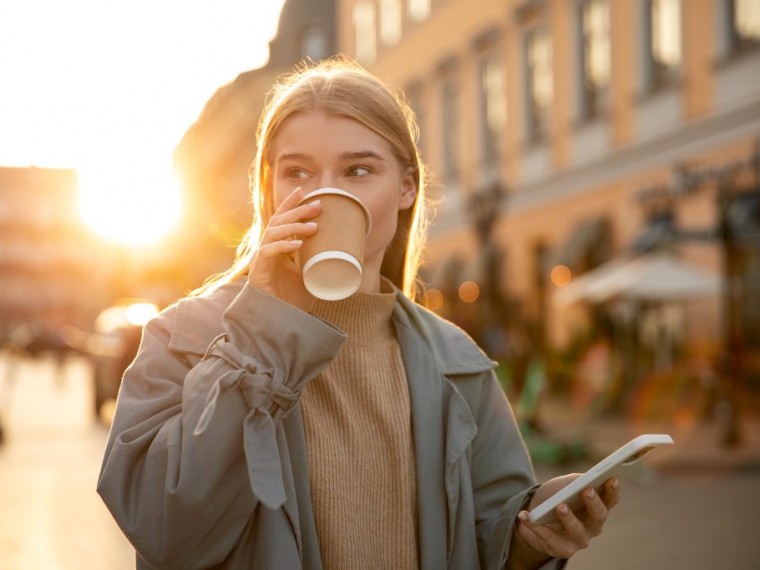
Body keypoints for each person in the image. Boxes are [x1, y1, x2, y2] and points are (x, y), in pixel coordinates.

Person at [97, 57, 620, 570]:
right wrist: (264, 330)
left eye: (359, 170)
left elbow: (485, 537)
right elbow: (165, 530)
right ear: (270, 189)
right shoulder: (183, 337)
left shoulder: (455, 361)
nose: (327, 196)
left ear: (406, 188)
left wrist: (533, 534)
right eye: (298, 171)